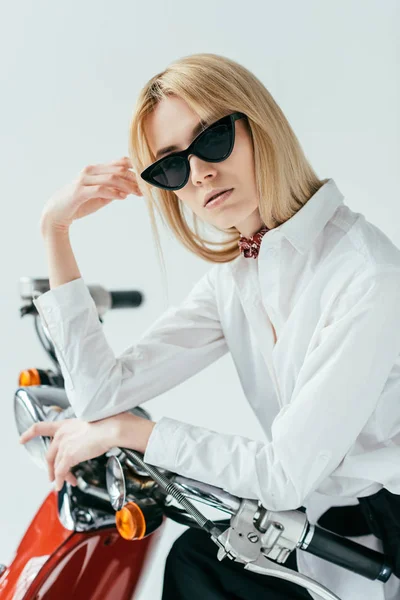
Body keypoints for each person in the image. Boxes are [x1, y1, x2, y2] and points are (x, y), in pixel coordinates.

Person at [20, 53, 400, 600]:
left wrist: (131, 432)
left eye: (213, 139)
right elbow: (100, 395)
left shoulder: (367, 274)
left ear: (259, 125)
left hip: (382, 540)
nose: (199, 173)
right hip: (314, 527)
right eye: (171, 166)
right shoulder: (239, 276)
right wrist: (55, 230)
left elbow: (283, 474)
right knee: (196, 562)